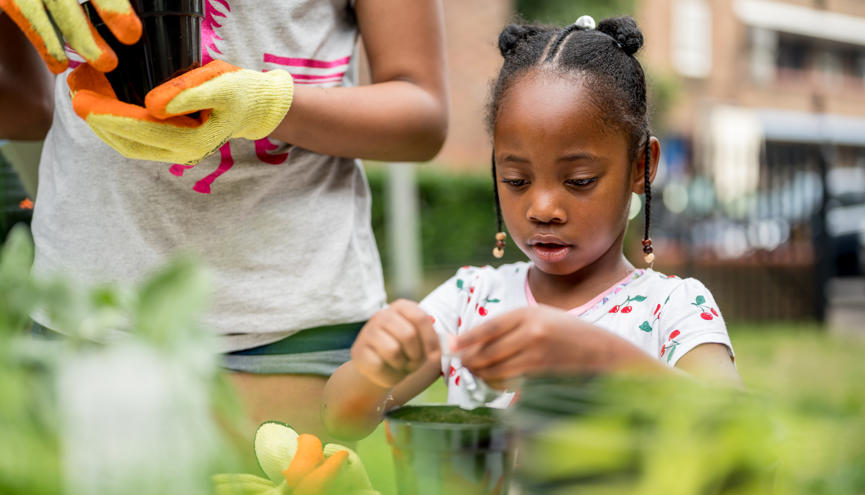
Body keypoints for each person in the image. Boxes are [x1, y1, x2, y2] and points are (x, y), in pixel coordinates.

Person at [0, 0, 448, 440]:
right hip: (81, 319)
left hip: (291, 332)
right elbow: (25, 106)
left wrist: (268, 107)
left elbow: (422, 115)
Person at [321, 15, 742, 440]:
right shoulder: (469, 302)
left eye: (579, 181)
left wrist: (599, 357)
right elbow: (339, 419)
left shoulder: (671, 309)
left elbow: (740, 435)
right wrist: (376, 370)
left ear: (641, 166)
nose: (542, 208)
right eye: (517, 181)